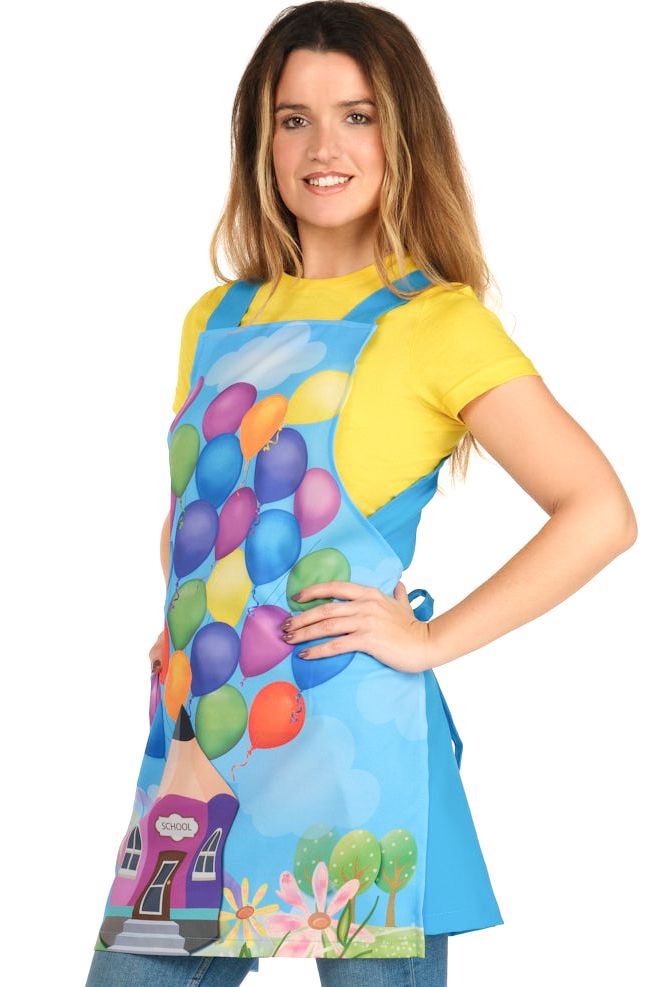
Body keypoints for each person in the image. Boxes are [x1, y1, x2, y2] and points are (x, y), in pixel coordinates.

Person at [84, 2, 638, 985]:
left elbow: (599, 511)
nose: (322, 147)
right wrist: (183, 628)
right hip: (200, 749)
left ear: (402, 135)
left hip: (358, 756)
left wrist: (429, 639)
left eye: (357, 115)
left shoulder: (439, 324)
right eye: (293, 119)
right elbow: (195, 512)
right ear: (262, 141)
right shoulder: (216, 318)